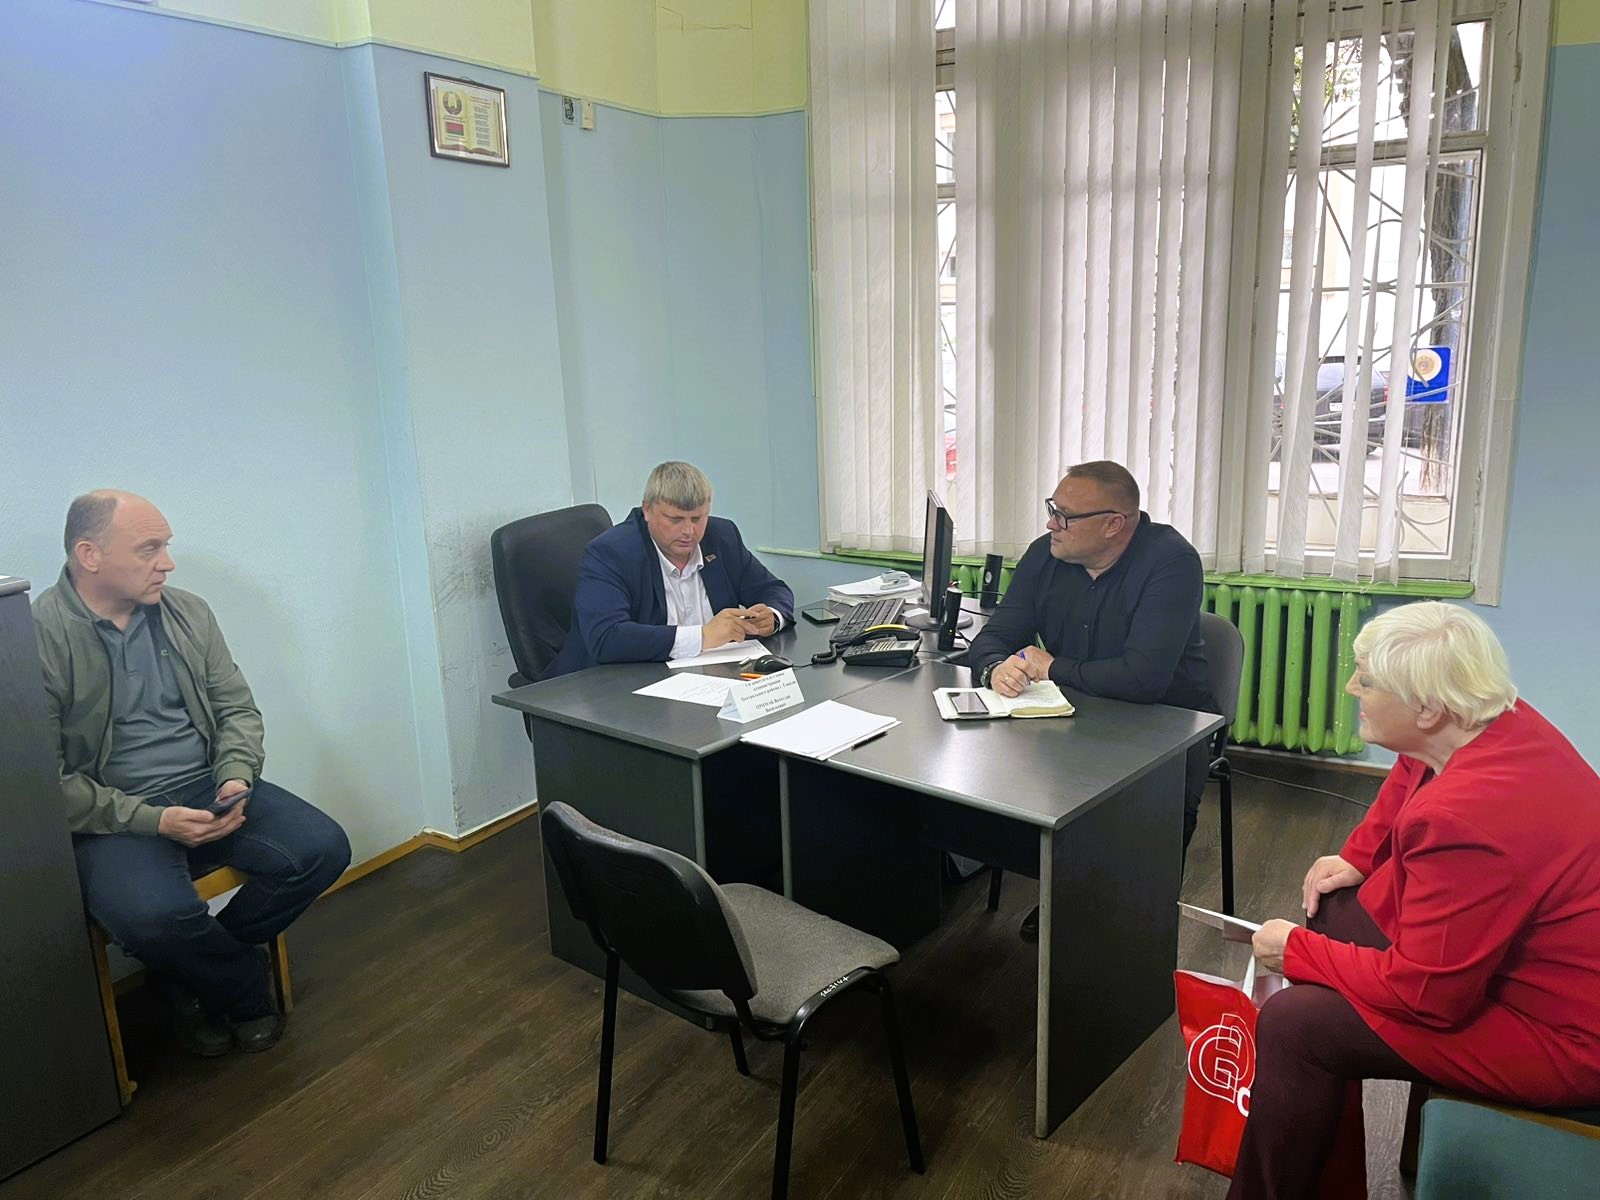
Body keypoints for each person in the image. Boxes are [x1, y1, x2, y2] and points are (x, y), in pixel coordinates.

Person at [1232, 602, 1600, 1199]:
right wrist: (1359, 855)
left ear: (1427, 708)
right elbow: (1414, 763)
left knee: (1295, 1026)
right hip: (1538, 969)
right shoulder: (1493, 717)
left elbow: (1429, 998)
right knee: (1336, 909)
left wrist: (1294, 950)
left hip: (1567, 1039)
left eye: (1367, 679)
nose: (1352, 687)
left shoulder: (1466, 818)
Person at [34, 491, 350, 1057]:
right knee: (154, 920)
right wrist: (153, 821)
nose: (168, 562)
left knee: (322, 848)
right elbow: (45, 780)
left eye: (166, 546)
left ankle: (187, 977)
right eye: (149, 548)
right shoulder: (34, 641)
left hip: (206, 783)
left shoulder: (188, 612)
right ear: (89, 554)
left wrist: (236, 775)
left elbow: (236, 710)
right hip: (114, 810)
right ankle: (243, 989)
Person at [966, 460, 1217, 939]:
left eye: (1064, 516)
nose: (1050, 524)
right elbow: (994, 636)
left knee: (1141, 834)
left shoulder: (1171, 562)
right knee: (1004, 783)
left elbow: (1143, 679)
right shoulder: (1045, 555)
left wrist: (1051, 667)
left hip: (1167, 727)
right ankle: (1067, 890)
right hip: (1071, 715)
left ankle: (1114, 914)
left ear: (1113, 524)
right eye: (1051, 509)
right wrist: (996, 667)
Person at [545, 461, 796, 679]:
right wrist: (703, 636)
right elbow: (607, 638)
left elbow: (772, 589)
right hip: (609, 688)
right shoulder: (610, 552)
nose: (688, 531)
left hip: (707, 678)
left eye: (697, 518)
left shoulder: (722, 537)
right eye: (675, 519)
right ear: (647, 510)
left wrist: (772, 616)